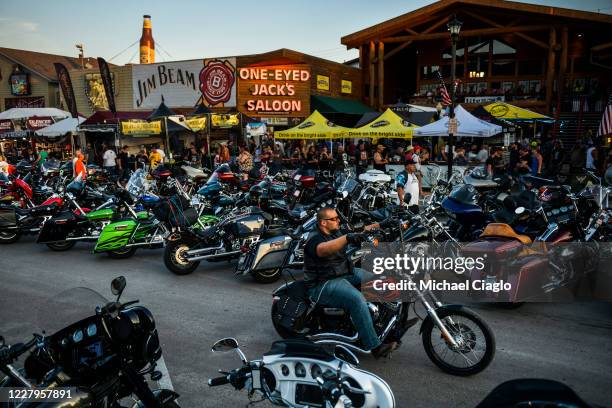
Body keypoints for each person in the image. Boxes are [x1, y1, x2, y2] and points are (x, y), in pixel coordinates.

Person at [304, 207, 398, 358]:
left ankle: (381, 323)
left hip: (345, 272)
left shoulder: (335, 231)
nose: (338, 220)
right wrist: (347, 238)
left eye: (337, 218)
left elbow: (361, 229)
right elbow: (324, 250)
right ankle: (374, 346)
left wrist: (383, 224)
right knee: (357, 299)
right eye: (334, 219)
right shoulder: (314, 238)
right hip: (323, 283)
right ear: (323, 222)